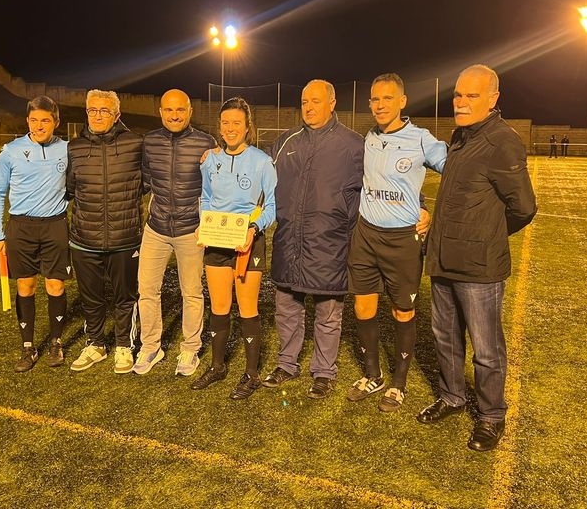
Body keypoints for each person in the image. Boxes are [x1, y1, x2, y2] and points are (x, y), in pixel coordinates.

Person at [417, 64, 537, 452]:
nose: (461, 102)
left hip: (479, 268)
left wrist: (485, 237)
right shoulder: (462, 137)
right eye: (458, 95)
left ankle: (491, 416)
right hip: (442, 260)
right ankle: (452, 397)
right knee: (445, 338)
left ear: (493, 99)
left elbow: (523, 207)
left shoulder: (503, 141)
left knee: (486, 348)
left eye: (471, 95)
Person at [346, 73, 447, 411]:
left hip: (402, 240)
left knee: (402, 311)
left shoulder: (421, 139)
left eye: (387, 98)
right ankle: (373, 376)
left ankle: (398, 384)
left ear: (402, 101)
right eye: (374, 99)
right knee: (363, 306)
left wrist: (429, 211)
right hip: (366, 234)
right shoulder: (369, 139)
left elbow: (456, 170)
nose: (379, 105)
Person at [262, 79, 364, 400]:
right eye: (305, 101)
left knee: (328, 314)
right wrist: (217, 154)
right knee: (287, 309)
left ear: (332, 103)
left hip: (330, 246)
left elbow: (380, 183)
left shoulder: (353, 145)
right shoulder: (285, 142)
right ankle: (287, 363)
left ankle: (323, 372)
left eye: (316, 101)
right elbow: (252, 167)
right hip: (289, 243)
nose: (308, 107)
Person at [191, 97, 277, 400]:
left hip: (247, 242)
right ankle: (217, 367)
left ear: (247, 127)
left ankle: (251, 373)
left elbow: (272, 208)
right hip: (217, 239)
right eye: (225, 122)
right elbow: (205, 198)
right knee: (219, 306)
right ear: (220, 126)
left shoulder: (262, 161)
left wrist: (253, 229)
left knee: (248, 307)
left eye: (236, 123)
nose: (230, 128)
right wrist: (204, 222)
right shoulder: (210, 160)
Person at [136, 89, 216, 377]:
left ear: (190, 111)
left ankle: (190, 348)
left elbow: (215, 186)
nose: (174, 115)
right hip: (156, 228)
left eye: (180, 110)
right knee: (146, 290)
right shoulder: (150, 141)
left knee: (192, 292)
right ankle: (150, 346)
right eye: (169, 110)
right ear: (160, 111)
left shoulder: (206, 142)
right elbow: (145, 179)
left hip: (190, 230)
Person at [0, 95, 71, 372]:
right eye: (34, 120)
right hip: (20, 228)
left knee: (56, 286)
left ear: (55, 122)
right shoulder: (10, 151)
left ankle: (56, 342)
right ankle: (28, 347)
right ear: (27, 121)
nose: (39, 126)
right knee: (26, 285)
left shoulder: (67, 150)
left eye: (45, 120)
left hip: (55, 225)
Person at [67, 90, 143, 374]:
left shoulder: (136, 144)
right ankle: (95, 343)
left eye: (105, 111)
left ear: (117, 115)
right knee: (91, 296)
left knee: (126, 296)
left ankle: (124, 345)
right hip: (85, 238)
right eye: (92, 110)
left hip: (124, 238)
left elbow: (145, 184)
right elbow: (70, 189)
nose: (98, 115)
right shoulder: (74, 148)